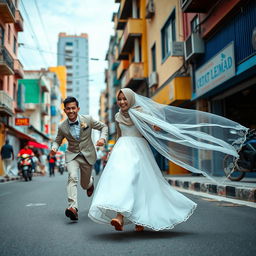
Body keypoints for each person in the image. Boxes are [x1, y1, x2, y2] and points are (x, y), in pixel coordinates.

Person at [88, 88, 248, 232]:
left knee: (140, 184)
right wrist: (112, 150)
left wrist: (156, 126)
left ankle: (134, 218)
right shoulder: (117, 116)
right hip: (121, 150)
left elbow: (154, 128)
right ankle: (121, 217)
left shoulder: (141, 112)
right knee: (123, 181)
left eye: (125, 98)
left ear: (130, 98)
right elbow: (119, 135)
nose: (122, 102)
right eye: (120, 99)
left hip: (138, 151)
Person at [50, 96, 108, 221]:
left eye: (73, 108)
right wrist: (54, 148)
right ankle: (73, 207)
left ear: (78, 108)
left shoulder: (88, 119)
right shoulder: (62, 126)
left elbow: (104, 127)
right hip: (72, 155)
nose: (71, 111)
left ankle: (90, 183)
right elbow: (57, 140)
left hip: (87, 155)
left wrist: (102, 138)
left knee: (84, 184)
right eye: (68, 109)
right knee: (72, 177)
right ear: (64, 110)